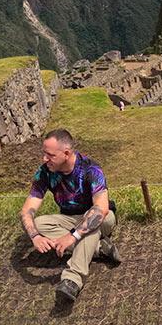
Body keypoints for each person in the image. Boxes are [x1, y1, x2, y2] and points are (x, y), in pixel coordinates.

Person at [19, 129, 121, 303]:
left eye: (50, 155)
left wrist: (72, 236)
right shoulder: (45, 172)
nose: (45, 159)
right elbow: (27, 210)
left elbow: (101, 209)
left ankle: (72, 279)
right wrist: (35, 236)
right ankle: (98, 250)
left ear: (66, 154)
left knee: (91, 223)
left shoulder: (91, 169)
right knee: (39, 223)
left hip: (102, 217)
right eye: (44, 153)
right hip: (69, 219)